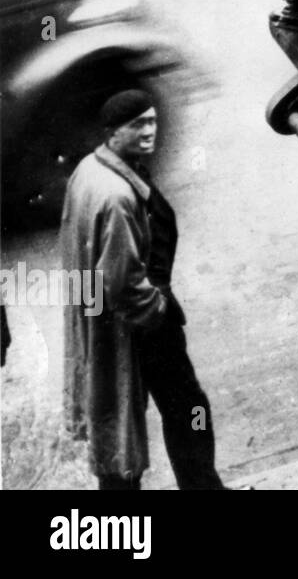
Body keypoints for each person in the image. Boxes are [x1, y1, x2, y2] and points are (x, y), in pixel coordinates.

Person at [61, 89, 225, 490]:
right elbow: (121, 282)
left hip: (105, 318)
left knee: (118, 419)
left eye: (152, 121)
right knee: (185, 409)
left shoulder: (90, 169)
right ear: (113, 133)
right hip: (138, 324)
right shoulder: (117, 196)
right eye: (138, 125)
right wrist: (159, 312)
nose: (150, 131)